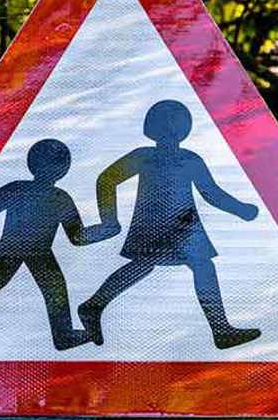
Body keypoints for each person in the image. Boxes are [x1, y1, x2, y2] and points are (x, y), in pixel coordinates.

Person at [78, 98, 262, 350]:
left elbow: (211, 193)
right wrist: (109, 221)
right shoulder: (145, 157)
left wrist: (241, 209)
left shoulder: (189, 160)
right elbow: (106, 179)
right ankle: (93, 305)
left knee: (191, 265)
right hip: (154, 223)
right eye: (168, 124)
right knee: (150, 265)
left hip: (185, 226)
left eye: (175, 124)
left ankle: (221, 330)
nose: (171, 130)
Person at [0, 138, 118, 348]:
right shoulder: (23, 190)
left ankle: (63, 334)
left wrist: (105, 230)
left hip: (39, 251)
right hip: (14, 246)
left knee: (54, 286)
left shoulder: (59, 197)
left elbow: (77, 236)